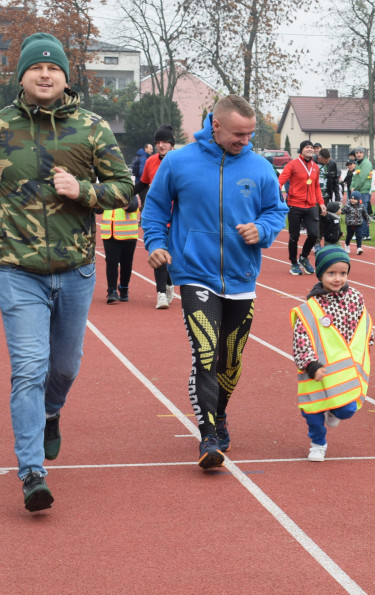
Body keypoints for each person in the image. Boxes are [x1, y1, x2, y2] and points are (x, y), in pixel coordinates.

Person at [0, 32, 134, 511]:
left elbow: (124, 187)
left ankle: (52, 413)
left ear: (65, 77)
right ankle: (31, 471)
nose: (45, 75)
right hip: (17, 267)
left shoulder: (91, 127)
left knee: (64, 366)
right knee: (29, 367)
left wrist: (83, 190)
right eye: (36, 68)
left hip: (76, 268)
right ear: (22, 75)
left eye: (54, 69)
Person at [142, 94, 287, 470]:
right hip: (194, 272)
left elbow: (277, 210)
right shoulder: (178, 161)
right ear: (216, 125)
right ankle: (208, 435)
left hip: (241, 276)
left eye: (251, 134)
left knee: (231, 360)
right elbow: (156, 208)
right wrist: (156, 243)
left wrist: (264, 228)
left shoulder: (259, 167)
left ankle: (220, 413)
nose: (246, 140)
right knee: (206, 352)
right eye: (239, 134)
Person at [290, 245, 374, 462]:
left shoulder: (356, 297)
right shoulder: (311, 306)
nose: (338, 278)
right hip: (316, 370)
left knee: (347, 409)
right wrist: (310, 365)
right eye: (331, 273)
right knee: (313, 412)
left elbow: (364, 324)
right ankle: (318, 443)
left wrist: (367, 342)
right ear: (320, 274)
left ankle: (334, 412)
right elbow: (301, 337)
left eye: (343, 273)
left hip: (344, 370)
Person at [137, 124, 177, 309]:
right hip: (157, 216)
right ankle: (161, 293)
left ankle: (169, 284)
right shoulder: (151, 161)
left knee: (172, 256)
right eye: (158, 142)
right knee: (158, 252)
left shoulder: (179, 161)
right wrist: (125, 193)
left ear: (172, 144)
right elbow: (143, 183)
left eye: (165, 142)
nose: (161, 145)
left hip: (176, 217)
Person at [280, 139, 326, 276]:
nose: (310, 149)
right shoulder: (292, 165)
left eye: (311, 147)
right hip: (295, 205)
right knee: (294, 236)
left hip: (311, 205)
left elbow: (316, 186)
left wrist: (321, 203)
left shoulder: (315, 167)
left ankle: (303, 257)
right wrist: (276, 192)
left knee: (313, 234)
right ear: (301, 150)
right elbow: (281, 180)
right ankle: (293, 263)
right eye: (307, 147)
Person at [98, 194, 140, 303]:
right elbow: (98, 210)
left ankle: (124, 288)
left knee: (126, 264)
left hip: (128, 235)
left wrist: (120, 197)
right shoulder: (106, 193)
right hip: (109, 235)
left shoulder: (130, 193)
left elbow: (133, 207)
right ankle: (111, 291)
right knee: (111, 262)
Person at [350, 146, 374, 224]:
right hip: (359, 190)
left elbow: (362, 178)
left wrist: (355, 188)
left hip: (363, 191)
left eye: (360, 152)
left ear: (364, 154)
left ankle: (363, 234)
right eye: (357, 153)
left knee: (362, 213)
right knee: (361, 213)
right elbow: (354, 177)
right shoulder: (358, 163)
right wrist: (351, 186)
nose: (358, 154)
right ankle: (365, 235)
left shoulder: (366, 163)